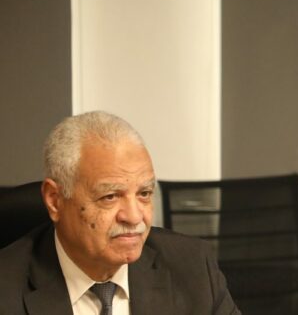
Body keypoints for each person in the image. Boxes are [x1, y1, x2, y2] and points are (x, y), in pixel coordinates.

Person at [0, 111, 240, 315]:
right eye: (110, 196)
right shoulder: (6, 291)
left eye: (144, 194)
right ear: (55, 201)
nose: (134, 217)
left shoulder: (193, 267)